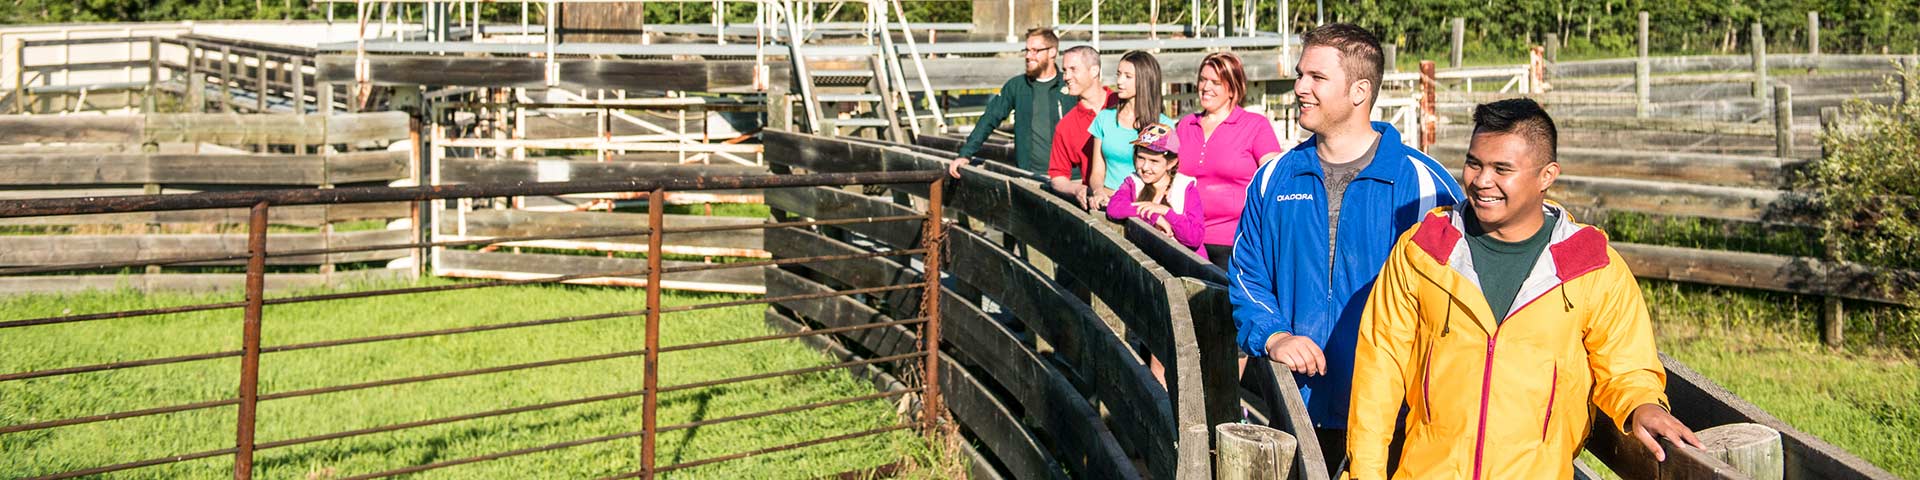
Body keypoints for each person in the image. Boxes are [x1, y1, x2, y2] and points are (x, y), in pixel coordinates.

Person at [1346, 98, 1702, 480]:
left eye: (1502, 169)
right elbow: (1378, 372)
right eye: (1474, 163)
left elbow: (1626, 364)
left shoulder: (1590, 264)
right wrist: (1365, 473)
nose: (1482, 181)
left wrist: (1642, 405)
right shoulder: (1424, 249)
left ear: (1547, 175)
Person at [1227, 23, 1464, 474]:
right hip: (1295, 403)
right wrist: (1274, 334)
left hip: (1394, 415)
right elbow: (1246, 272)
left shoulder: (1424, 185)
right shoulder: (1274, 177)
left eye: (1316, 78)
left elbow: (1457, 298)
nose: (1299, 88)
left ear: (1359, 91)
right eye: (1301, 75)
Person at [1176, 51, 1284, 270]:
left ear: (1233, 88)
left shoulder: (1255, 125)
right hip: (1184, 237)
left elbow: (1274, 177)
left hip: (1235, 242)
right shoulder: (1186, 125)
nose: (1206, 87)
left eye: (1216, 82)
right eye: (1203, 80)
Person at [948, 28, 1075, 178]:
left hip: (1070, 176)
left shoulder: (1070, 85)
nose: (1028, 56)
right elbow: (989, 119)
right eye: (1026, 50)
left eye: (1035, 51)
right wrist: (965, 154)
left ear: (1052, 52)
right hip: (1030, 175)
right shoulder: (1016, 86)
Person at [1088, 50, 1176, 207]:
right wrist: (1097, 191)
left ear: (1145, 81)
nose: (1120, 81)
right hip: (1107, 202)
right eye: (1119, 74)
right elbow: (1097, 172)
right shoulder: (1104, 118)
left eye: (1128, 77)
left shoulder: (1164, 126)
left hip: (1142, 206)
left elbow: (1168, 173)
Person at [1107, 122, 1203, 260]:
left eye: (1154, 161)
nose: (1145, 167)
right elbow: (1114, 208)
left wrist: (1165, 212)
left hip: (1184, 265)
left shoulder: (1185, 188)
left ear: (1171, 163)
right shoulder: (1133, 182)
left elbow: (1194, 238)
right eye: (1141, 158)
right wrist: (1153, 215)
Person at [1046, 45, 1115, 210]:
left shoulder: (1122, 104)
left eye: (1073, 69)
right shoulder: (1066, 126)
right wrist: (1076, 189)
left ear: (1094, 71)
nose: (1066, 76)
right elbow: (1058, 175)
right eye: (1064, 70)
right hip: (1099, 208)